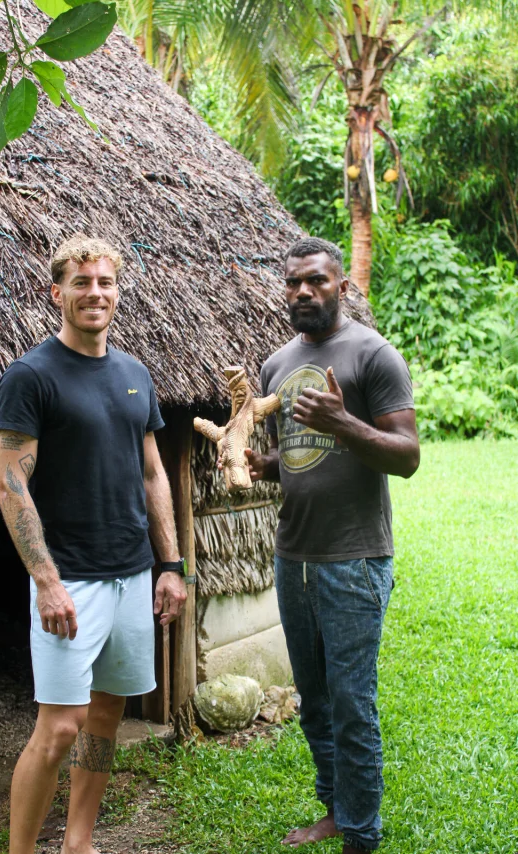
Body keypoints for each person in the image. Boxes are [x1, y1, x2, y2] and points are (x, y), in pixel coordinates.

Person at [0, 234, 187, 854]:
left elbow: (152, 473)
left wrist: (172, 565)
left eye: (104, 283)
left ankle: (79, 841)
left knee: (104, 720)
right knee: (58, 729)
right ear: (58, 294)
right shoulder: (30, 376)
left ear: (117, 292)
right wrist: (45, 580)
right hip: (69, 579)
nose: (94, 293)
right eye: (81, 283)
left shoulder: (135, 374)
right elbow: (9, 482)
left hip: (132, 576)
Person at [247, 237, 420, 853]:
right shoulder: (275, 364)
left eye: (316, 281)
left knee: (352, 703)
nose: (303, 292)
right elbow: (295, 454)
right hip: (293, 557)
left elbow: (408, 457)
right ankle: (338, 810)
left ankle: (362, 836)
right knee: (314, 703)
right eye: (293, 282)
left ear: (341, 286)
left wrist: (344, 422)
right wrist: (261, 464)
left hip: (354, 559)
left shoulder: (374, 356)